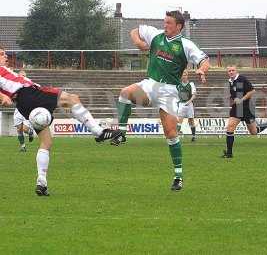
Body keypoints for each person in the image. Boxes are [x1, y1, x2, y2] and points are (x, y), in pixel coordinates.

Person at [0, 44, 123, 196]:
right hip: (28, 94)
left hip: (24, 104)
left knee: (46, 142)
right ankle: (99, 132)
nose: (5, 56)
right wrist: (2, 96)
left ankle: (41, 182)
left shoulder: (6, 71)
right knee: (72, 98)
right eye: (1, 54)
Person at [116, 11, 210, 191]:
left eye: (168, 23)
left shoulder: (185, 45)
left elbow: (205, 60)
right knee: (125, 93)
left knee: (171, 133)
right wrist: (137, 41)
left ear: (179, 26)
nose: (165, 25)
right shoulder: (155, 35)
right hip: (151, 85)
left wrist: (201, 70)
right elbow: (135, 30)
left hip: (169, 92)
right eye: (164, 22)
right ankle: (121, 133)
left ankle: (178, 176)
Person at [222, 65, 267, 158]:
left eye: (233, 70)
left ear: (236, 71)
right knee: (230, 127)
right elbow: (235, 94)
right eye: (229, 71)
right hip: (237, 108)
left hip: (247, 108)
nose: (231, 72)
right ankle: (229, 153)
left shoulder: (242, 79)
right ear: (227, 72)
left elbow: (252, 91)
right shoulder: (230, 82)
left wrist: (242, 99)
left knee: (254, 132)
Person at [176, 70, 197, 142]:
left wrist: (189, 101)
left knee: (191, 120)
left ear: (187, 76)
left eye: (185, 75)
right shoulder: (178, 84)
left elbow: (194, 95)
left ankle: (193, 136)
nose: (183, 76)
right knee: (179, 120)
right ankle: (176, 136)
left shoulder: (191, 84)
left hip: (189, 104)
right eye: (182, 75)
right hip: (182, 103)